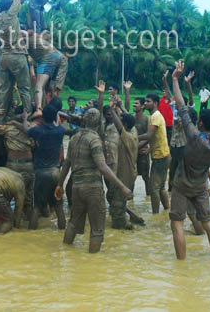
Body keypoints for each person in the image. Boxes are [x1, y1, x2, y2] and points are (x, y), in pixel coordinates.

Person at [55, 108, 133, 253]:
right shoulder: (94, 139)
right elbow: (102, 166)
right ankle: (93, 261)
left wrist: (60, 186)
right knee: (97, 230)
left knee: (73, 223)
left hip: (76, 188)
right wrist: (123, 187)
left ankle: (64, 253)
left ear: (84, 121)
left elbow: (66, 164)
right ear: (99, 124)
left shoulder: (74, 138)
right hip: (92, 189)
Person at [170, 61, 210, 259]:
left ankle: (181, 263)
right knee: (208, 223)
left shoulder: (193, 135)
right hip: (200, 185)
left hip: (182, 184)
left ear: (200, 123)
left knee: (177, 223)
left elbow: (181, 106)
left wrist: (175, 79)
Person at [26, 105, 66, 229]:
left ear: (42, 117)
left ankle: (31, 233)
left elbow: (26, 129)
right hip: (56, 173)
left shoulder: (37, 131)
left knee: (37, 206)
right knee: (59, 207)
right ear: (55, 117)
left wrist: (24, 118)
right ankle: (62, 232)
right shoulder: (60, 131)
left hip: (41, 173)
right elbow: (60, 126)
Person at [0, 0, 32, 121]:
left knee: (3, 90)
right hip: (17, 55)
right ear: (10, 6)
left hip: (4, 57)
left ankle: (0, 118)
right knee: (24, 88)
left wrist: (1, 7)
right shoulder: (11, 15)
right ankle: (28, 117)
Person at [0, 114, 35, 222]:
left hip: (12, 165)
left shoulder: (7, 128)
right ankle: (27, 224)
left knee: (7, 195)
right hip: (28, 165)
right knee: (28, 197)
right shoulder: (32, 128)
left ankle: (8, 222)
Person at [137, 93, 170, 214]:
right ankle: (167, 210)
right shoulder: (155, 116)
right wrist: (145, 148)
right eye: (145, 101)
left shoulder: (155, 116)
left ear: (155, 103)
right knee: (160, 187)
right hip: (163, 154)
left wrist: (133, 138)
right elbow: (155, 137)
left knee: (153, 188)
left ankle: (155, 214)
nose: (145, 103)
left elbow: (149, 135)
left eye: (148, 101)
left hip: (160, 156)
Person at [108, 106, 139, 230]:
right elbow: (130, 120)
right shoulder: (133, 131)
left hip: (125, 175)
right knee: (112, 197)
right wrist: (120, 106)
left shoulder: (128, 137)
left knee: (117, 205)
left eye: (121, 120)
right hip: (127, 172)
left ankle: (121, 228)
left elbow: (119, 127)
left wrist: (111, 110)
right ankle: (129, 217)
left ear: (125, 124)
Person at [123, 81, 150, 195]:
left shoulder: (147, 119)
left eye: (136, 104)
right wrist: (127, 91)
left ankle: (149, 196)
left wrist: (148, 149)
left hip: (142, 151)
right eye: (134, 103)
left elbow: (151, 135)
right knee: (131, 175)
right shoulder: (131, 118)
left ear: (143, 106)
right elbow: (125, 108)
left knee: (145, 176)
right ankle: (130, 196)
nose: (134, 105)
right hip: (132, 152)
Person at [158, 73, 174, 146]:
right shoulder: (159, 101)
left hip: (170, 124)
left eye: (166, 91)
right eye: (163, 91)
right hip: (162, 124)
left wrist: (165, 81)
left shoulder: (172, 101)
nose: (164, 92)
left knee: (170, 140)